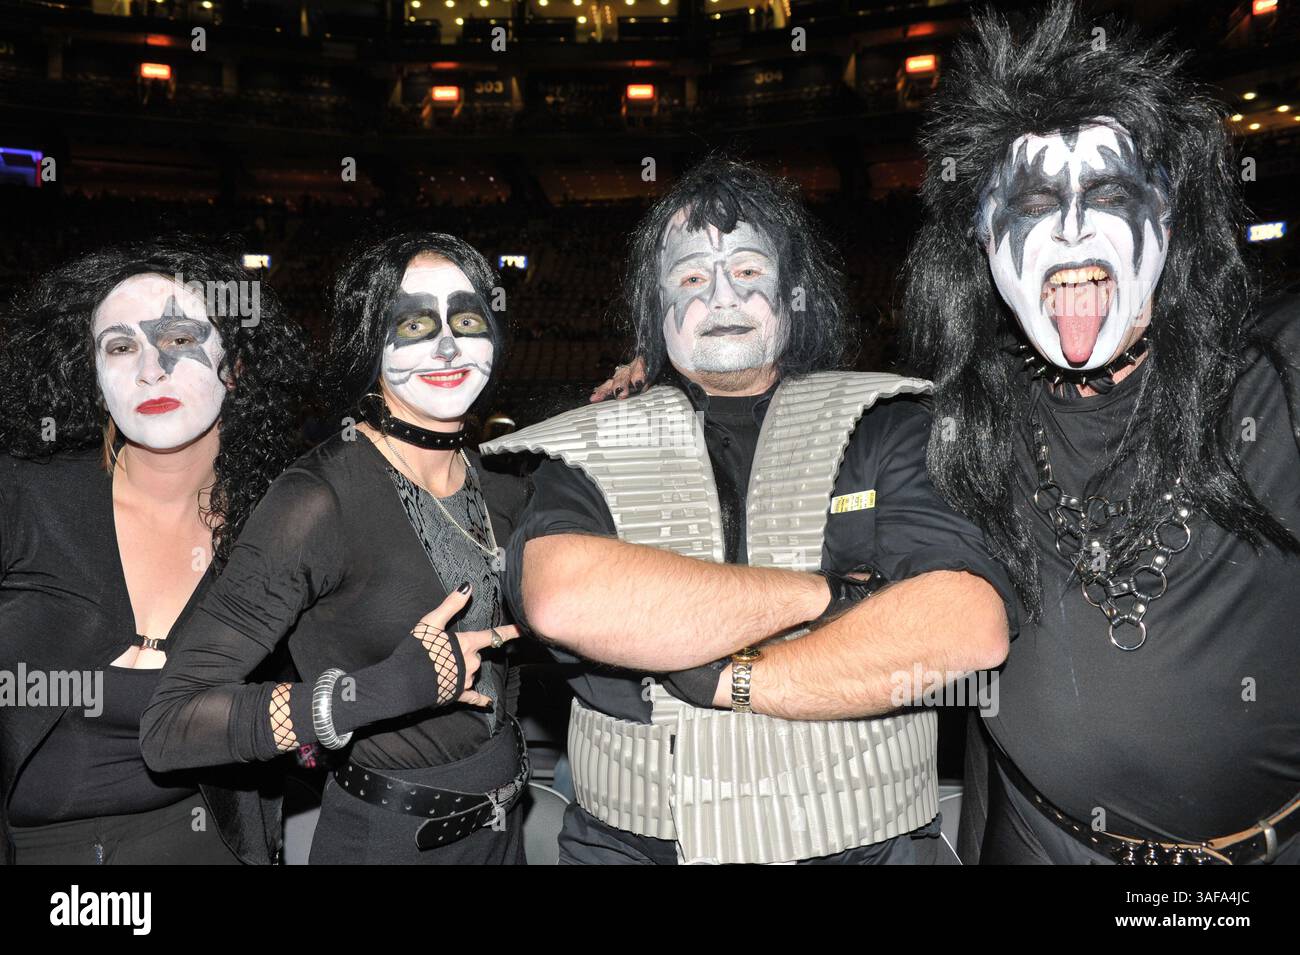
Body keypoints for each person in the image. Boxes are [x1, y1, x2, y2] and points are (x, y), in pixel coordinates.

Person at [484, 157, 1015, 865]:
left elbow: (962, 626)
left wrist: (736, 679)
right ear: (659, 309)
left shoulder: (888, 423)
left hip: (860, 845)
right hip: (636, 846)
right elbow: (565, 598)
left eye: (748, 270)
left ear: (794, 294)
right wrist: (829, 595)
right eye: (693, 278)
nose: (722, 294)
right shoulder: (598, 436)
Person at [902, 0, 1300, 864]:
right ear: (980, 240)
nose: (1074, 226)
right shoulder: (960, 420)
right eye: (1034, 199)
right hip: (1041, 842)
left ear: (1169, 218)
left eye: (1112, 192)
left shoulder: (1282, 367)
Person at [140, 232, 529, 864]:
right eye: (414, 324)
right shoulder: (317, 499)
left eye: (465, 318)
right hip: (390, 845)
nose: (448, 345)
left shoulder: (498, 487)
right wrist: (378, 691)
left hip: (503, 832)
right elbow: (171, 726)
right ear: (369, 340)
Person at [0, 238, 307, 864]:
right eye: (120, 346)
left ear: (238, 364)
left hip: (202, 845)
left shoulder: (281, 527)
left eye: (179, 339)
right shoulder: (21, 495)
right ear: (92, 377)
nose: (150, 369)